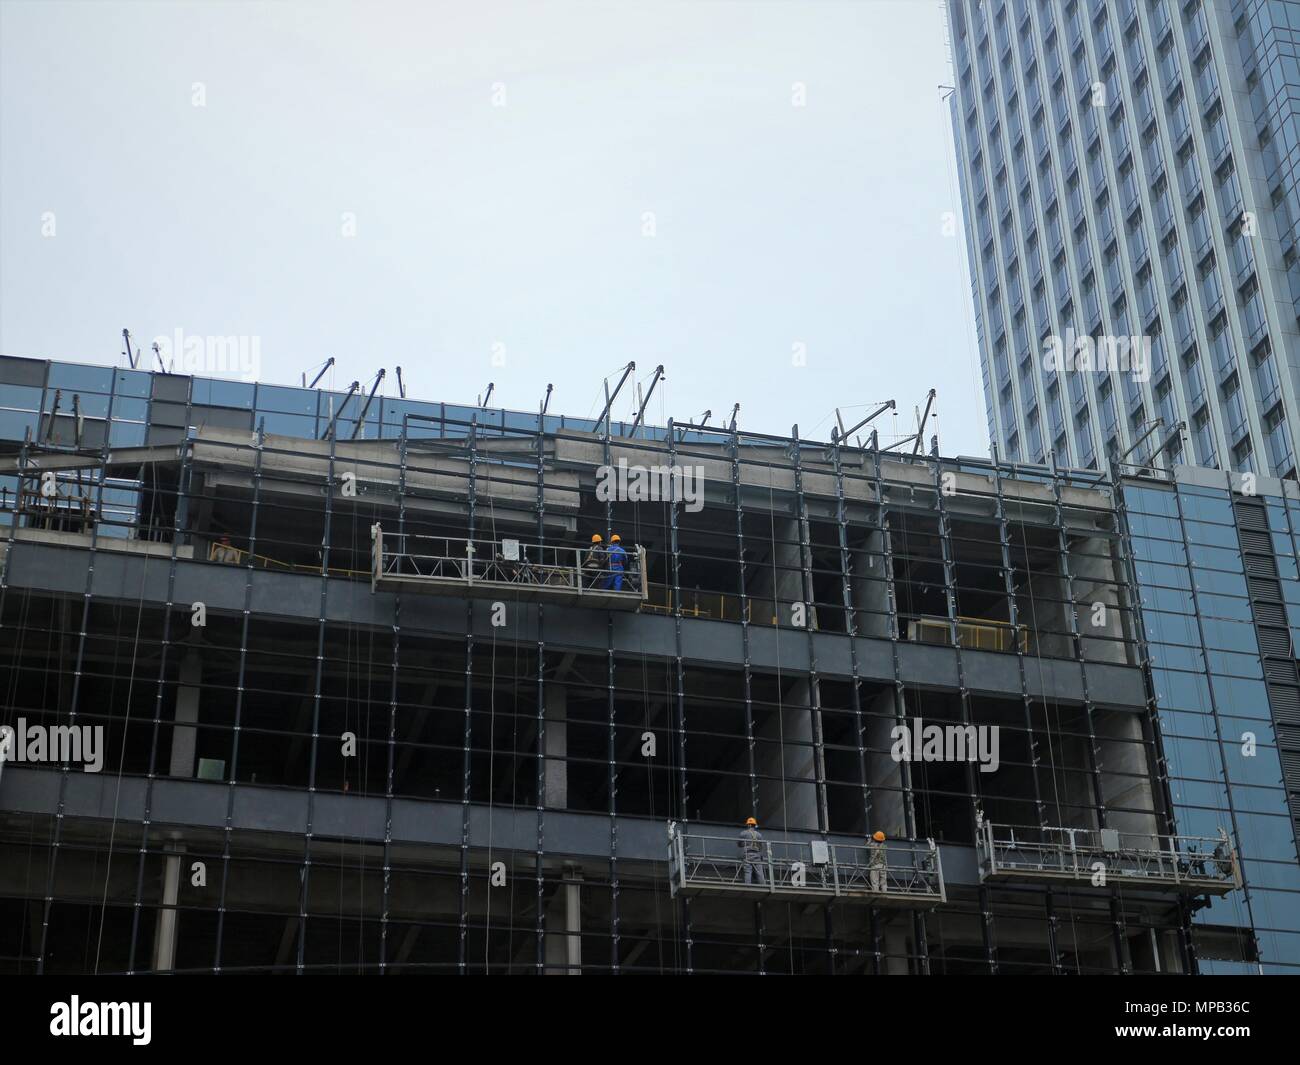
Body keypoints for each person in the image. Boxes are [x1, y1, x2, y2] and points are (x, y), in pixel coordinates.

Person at [738, 817, 766, 885]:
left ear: (748, 825)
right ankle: (763, 886)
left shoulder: (743, 833)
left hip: (748, 854)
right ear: (754, 825)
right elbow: (761, 846)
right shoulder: (759, 835)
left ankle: (748, 886)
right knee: (759, 872)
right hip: (757, 855)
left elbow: (739, 844)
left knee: (748, 871)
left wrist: (744, 844)